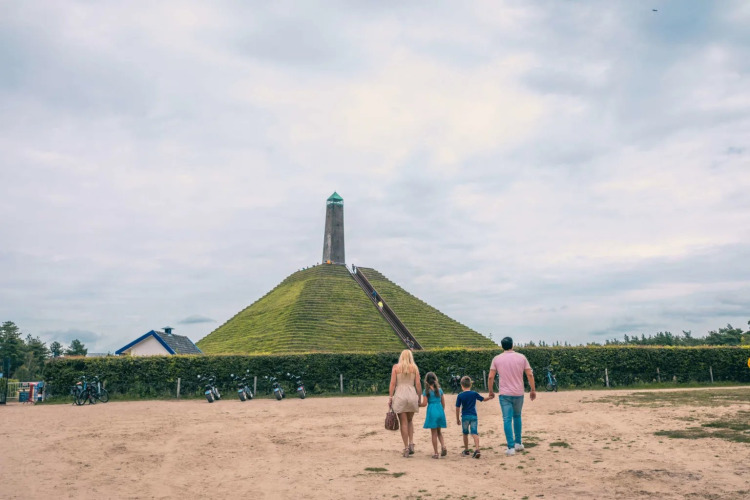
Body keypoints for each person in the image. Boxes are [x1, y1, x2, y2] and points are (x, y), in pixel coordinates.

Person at [487, 337, 536, 456]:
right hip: (519, 392)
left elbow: (490, 377)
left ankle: (510, 447)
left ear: (502, 346)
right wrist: (532, 389)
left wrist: (491, 391)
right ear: (512, 345)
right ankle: (518, 443)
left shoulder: (497, 359)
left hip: (505, 394)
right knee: (517, 416)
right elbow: (529, 374)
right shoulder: (521, 357)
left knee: (507, 419)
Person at [389, 349, 422, 457]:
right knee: (410, 420)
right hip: (412, 394)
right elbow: (417, 384)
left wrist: (390, 397)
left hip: (400, 395)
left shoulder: (396, 367)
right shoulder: (414, 368)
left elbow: (393, 384)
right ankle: (412, 443)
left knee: (403, 422)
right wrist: (419, 396)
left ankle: (406, 447)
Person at [455, 376, 490, 458]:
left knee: (465, 433)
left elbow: (457, 408)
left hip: (465, 416)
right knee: (474, 432)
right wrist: (490, 397)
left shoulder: (460, 395)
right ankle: (477, 449)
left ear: (461, 385)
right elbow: (483, 399)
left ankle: (466, 450)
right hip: (473, 415)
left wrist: (457, 419)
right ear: (470, 385)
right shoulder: (474, 393)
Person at [419, 372, 447, 459]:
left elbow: (424, 404)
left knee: (433, 433)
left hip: (432, 411)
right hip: (440, 410)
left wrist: (418, 404)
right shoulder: (440, 390)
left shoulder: (426, 391)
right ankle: (443, 446)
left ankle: (436, 453)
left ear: (426, 381)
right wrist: (441, 411)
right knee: (439, 432)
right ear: (435, 380)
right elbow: (443, 403)